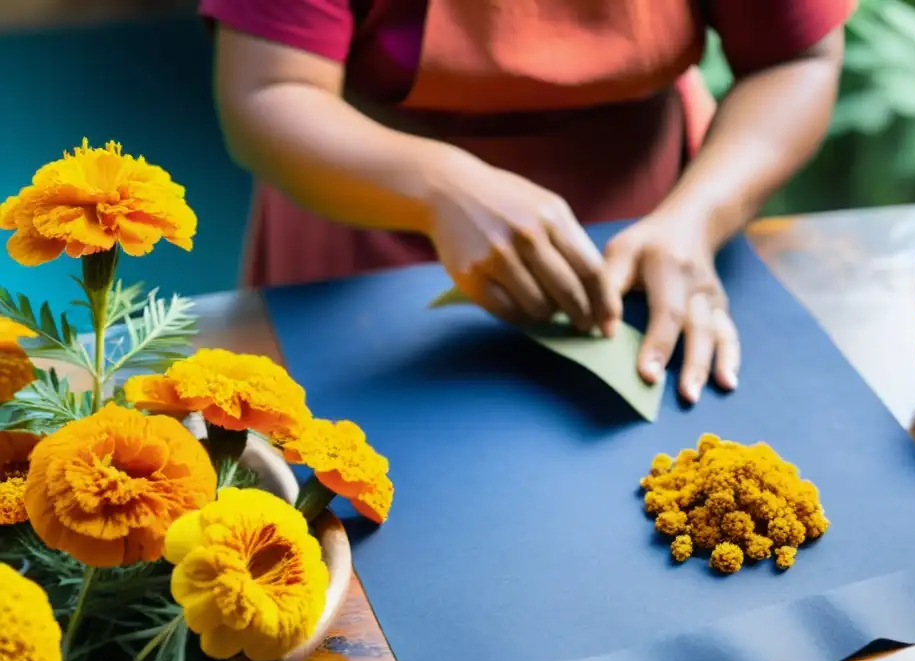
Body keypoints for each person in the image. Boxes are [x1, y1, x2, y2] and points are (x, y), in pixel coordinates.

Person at [201, 0, 851, 403]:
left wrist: (695, 218)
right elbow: (265, 93)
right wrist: (439, 187)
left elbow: (795, 58)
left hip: (650, 230)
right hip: (365, 216)